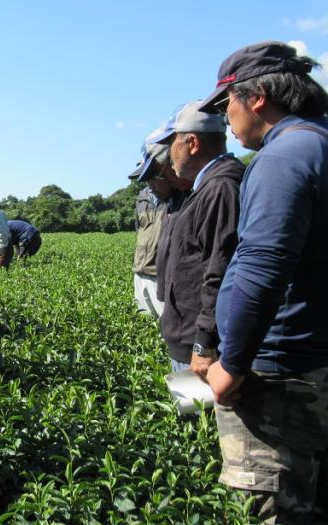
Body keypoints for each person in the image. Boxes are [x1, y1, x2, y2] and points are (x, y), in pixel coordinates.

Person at [198, 41, 328, 523]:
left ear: (257, 97)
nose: (225, 118)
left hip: (282, 377)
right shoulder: (319, 145)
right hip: (313, 363)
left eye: (226, 102)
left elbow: (263, 264)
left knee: (275, 507)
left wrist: (231, 363)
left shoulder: (284, 157)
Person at [150, 101, 243, 373]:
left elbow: (220, 271)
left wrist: (204, 342)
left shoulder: (221, 189)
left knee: (206, 415)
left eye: (171, 145)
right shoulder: (205, 188)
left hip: (202, 348)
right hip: (189, 339)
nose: (169, 155)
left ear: (192, 142)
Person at [128, 128, 180, 318]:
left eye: (153, 177)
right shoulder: (142, 198)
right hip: (140, 271)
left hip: (161, 276)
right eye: (146, 178)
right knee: (143, 322)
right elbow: (139, 230)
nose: (149, 183)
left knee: (165, 327)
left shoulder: (178, 198)